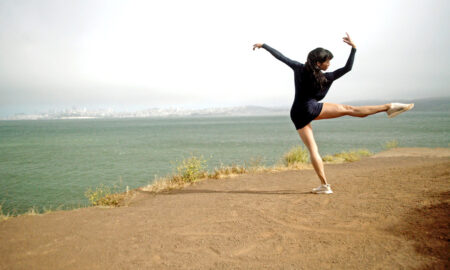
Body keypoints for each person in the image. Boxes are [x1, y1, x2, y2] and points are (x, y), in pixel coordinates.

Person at [253, 33, 414, 194]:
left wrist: (264, 45)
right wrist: (354, 49)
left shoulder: (299, 68)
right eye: (327, 61)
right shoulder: (326, 78)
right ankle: (389, 106)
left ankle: (324, 186)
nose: (329, 64)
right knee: (349, 110)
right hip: (310, 108)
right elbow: (348, 68)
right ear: (318, 63)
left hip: (297, 113)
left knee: (313, 149)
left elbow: (281, 57)